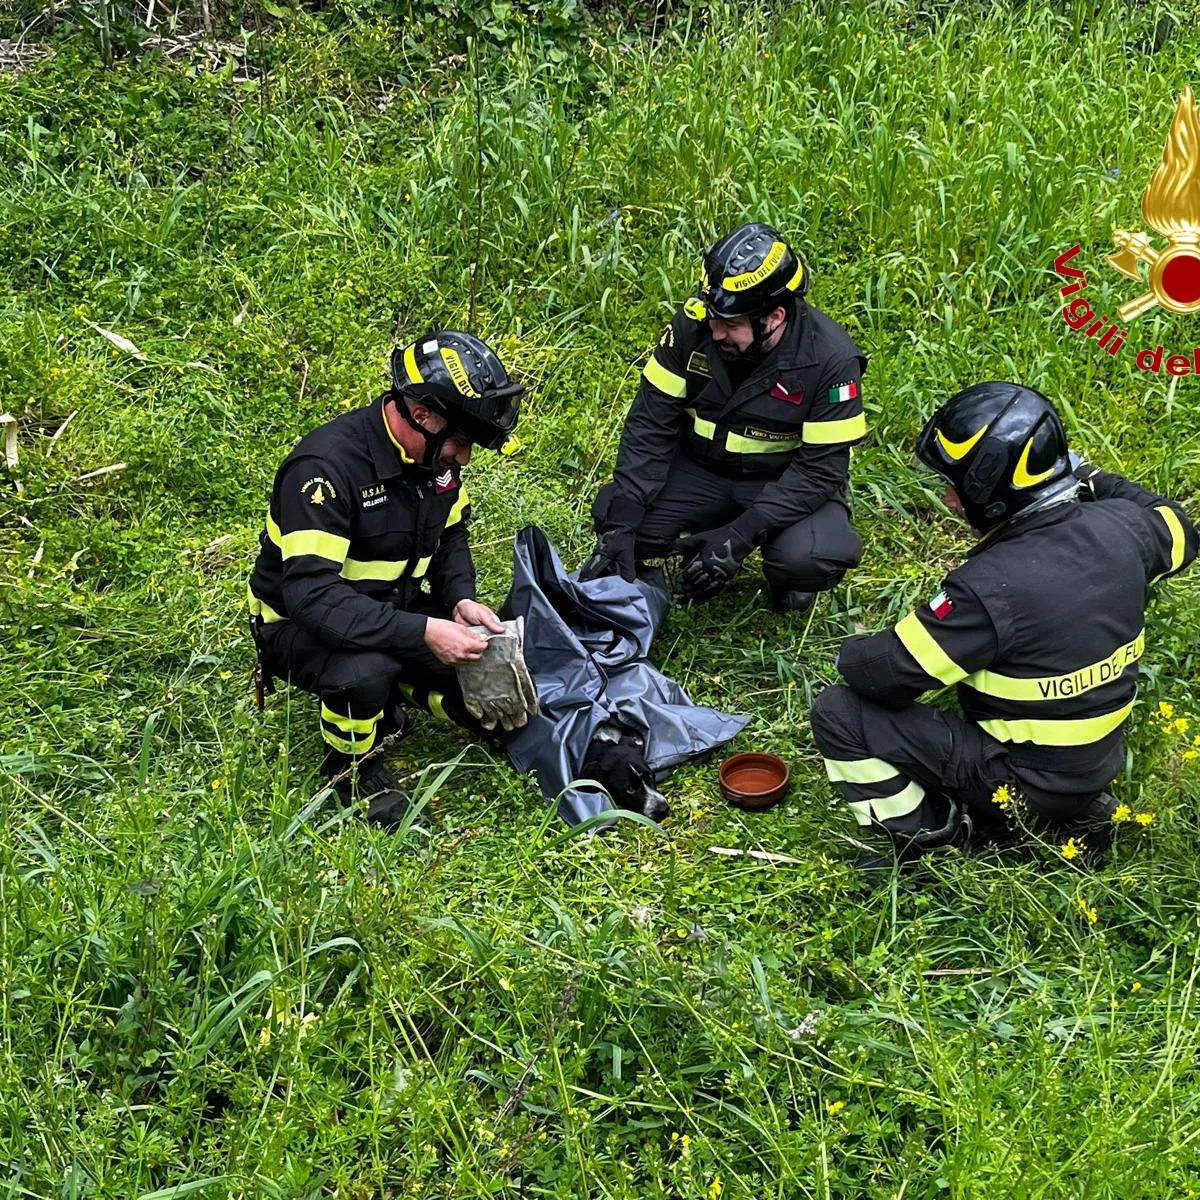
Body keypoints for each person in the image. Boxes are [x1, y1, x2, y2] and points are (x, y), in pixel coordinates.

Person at [811, 381, 1197, 863]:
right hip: (1097, 762)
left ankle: (933, 835)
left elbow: (885, 675)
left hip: (1020, 781)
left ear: (988, 490)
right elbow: (1176, 521)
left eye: (953, 484)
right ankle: (1076, 813)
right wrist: (1081, 471)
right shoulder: (1130, 528)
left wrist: (848, 651)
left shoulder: (989, 588)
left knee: (838, 712)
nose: (948, 499)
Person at [247, 330, 533, 830]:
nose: (463, 458)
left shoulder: (432, 460)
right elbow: (311, 595)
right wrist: (423, 632)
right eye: (461, 442)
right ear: (422, 415)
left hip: (389, 603)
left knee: (479, 669)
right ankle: (350, 767)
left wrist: (459, 600)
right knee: (364, 673)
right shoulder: (325, 470)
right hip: (299, 621)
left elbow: (451, 536)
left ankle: (398, 695)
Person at [580, 221, 867, 612]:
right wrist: (622, 523)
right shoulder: (693, 326)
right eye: (714, 319)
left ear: (775, 317)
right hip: (701, 469)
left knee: (810, 556)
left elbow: (819, 472)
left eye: (731, 325)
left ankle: (786, 574)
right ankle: (665, 558)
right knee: (618, 513)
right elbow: (650, 422)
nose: (715, 333)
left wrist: (740, 536)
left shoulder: (831, 360)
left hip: (782, 480)